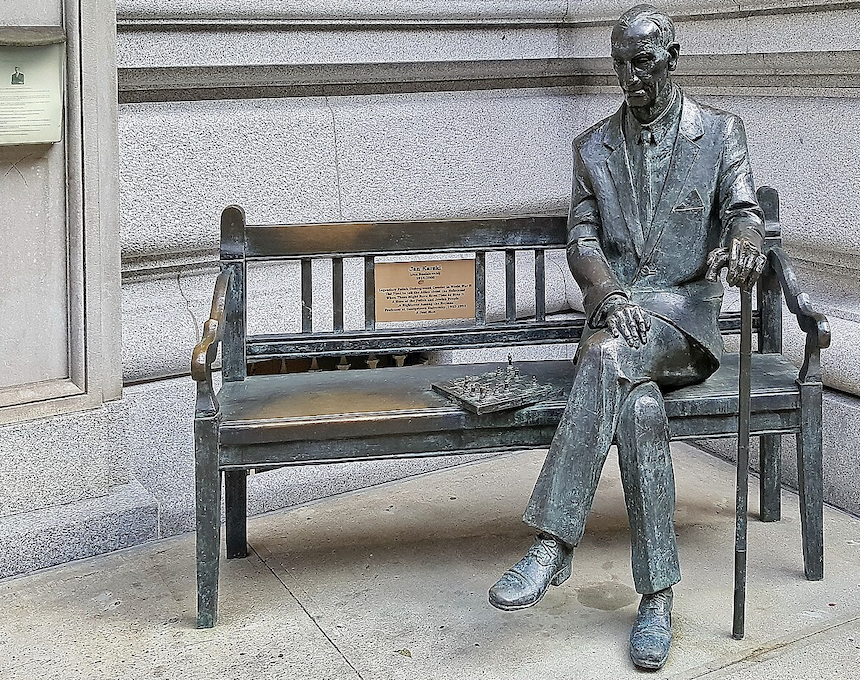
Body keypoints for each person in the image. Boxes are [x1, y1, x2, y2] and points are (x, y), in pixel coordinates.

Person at [488, 4, 766, 670]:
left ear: (671, 56)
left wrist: (744, 246)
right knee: (638, 410)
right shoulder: (591, 147)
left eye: (641, 62)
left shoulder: (720, 133)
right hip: (618, 319)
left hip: (683, 324)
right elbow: (581, 240)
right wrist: (609, 296)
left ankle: (553, 541)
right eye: (619, 62)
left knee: (610, 357)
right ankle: (658, 600)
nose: (628, 76)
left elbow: (743, 213)